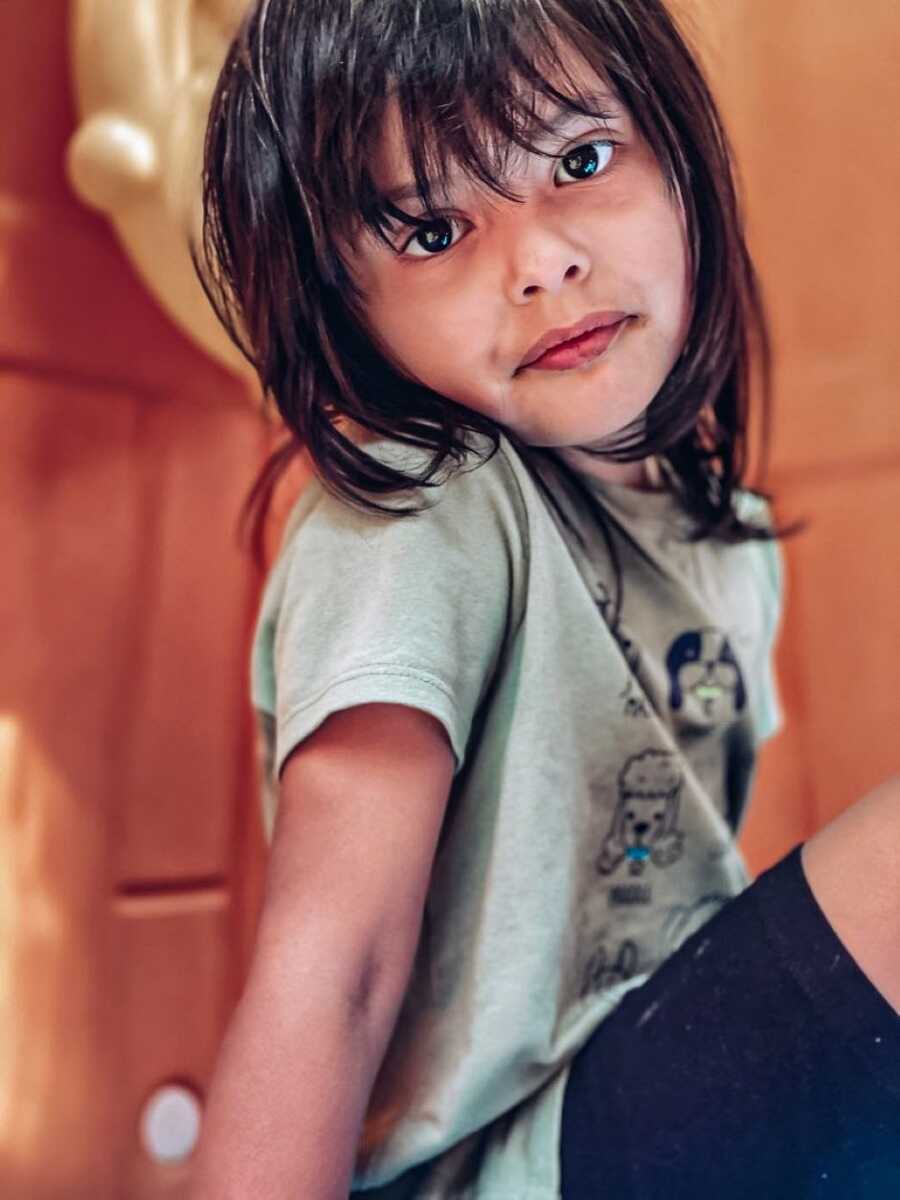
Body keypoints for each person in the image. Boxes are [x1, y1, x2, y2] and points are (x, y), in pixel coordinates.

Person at [188, 1, 900, 1197]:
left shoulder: (733, 538)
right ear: (345, 307)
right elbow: (336, 965)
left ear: (679, 154)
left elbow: (715, 928)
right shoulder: (423, 510)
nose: (540, 262)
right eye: (430, 231)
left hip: (659, 1097)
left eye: (579, 160)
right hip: (502, 1166)